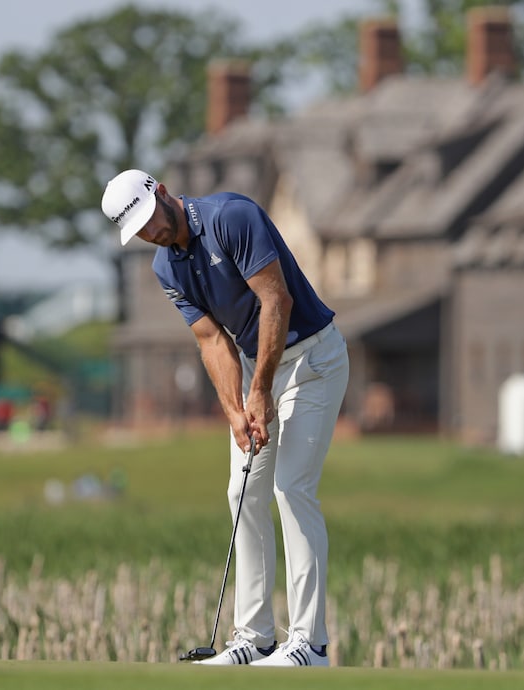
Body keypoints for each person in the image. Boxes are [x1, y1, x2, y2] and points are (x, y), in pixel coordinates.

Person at [101, 169, 349, 667]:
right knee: (242, 491)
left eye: (151, 220)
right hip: (264, 369)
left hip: (313, 360)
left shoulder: (231, 216)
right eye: (141, 231)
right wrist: (236, 411)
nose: (152, 233)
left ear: (163, 193)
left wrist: (259, 391)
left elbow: (276, 299)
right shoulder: (166, 269)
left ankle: (310, 643)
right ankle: (252, 639)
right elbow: (213, 341)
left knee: (290, 487)